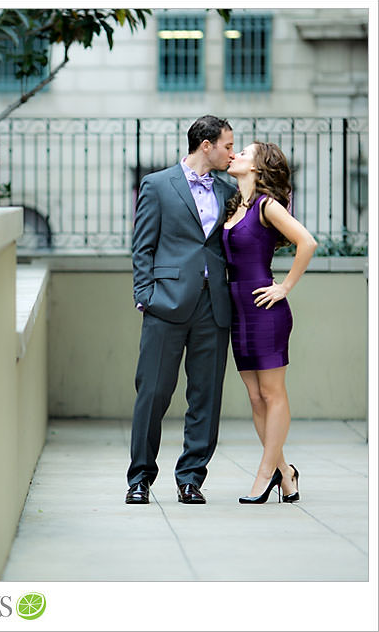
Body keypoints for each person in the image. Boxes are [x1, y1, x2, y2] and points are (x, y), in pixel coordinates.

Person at [125, 115, 237, 505]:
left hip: (214, 305)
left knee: (205, 396)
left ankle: (191, 477)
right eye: (227, 145)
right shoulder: (157, 184)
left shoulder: (229, 190)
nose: (232, 152)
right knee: (152, 392)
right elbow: (142, 246)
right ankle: (139, 478)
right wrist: (146, 295)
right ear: (205, 145)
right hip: (165, 303)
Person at [222, 141, 317, 504]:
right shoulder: (234, 206)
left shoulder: (267, 206)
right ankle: (285, 474)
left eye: (243, 153)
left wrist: (284, 288)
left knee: (272, 394)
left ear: (258, 168)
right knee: (255, 397)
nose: (235, 156)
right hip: (238, 312)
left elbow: (306, 242)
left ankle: (265, 475)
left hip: (265, 311)